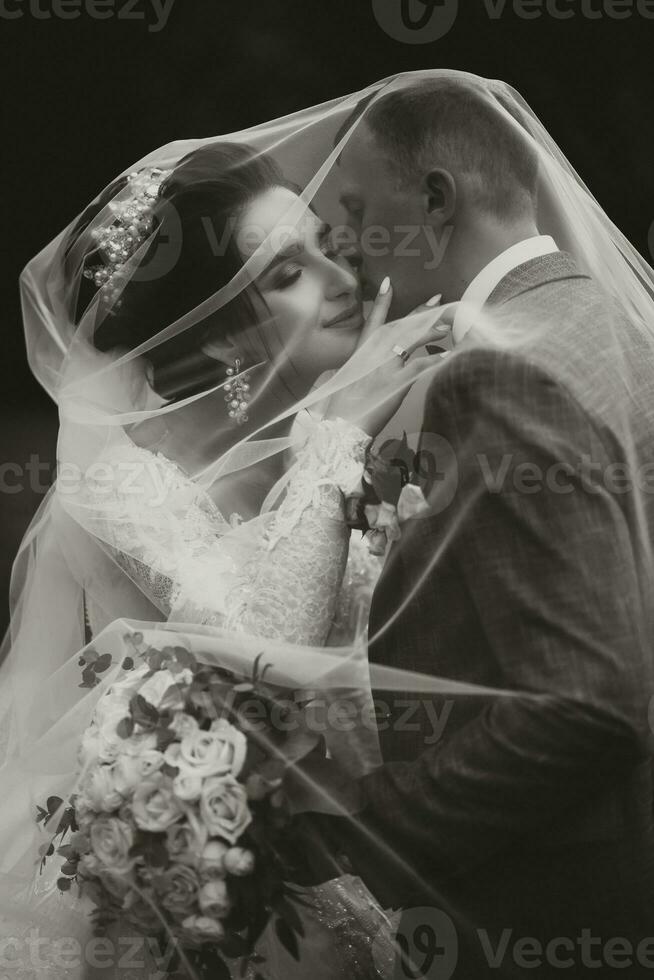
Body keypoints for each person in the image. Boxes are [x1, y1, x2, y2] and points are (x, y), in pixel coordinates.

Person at [0, 137, 446, 979]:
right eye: (287, 273)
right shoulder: (116, 486)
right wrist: (349, 424)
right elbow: (265, 644)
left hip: (352, 874)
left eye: (324, 244)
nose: (341, 278)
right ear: (214, 342)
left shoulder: (324, 440)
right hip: (186, 913)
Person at [328, 73, 654, 977]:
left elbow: (589, 700)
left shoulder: (500, 373)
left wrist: (366, 839)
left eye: (357, 213)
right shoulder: (617, 326)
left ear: (435, 199)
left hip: (549, 909)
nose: (348, 249)